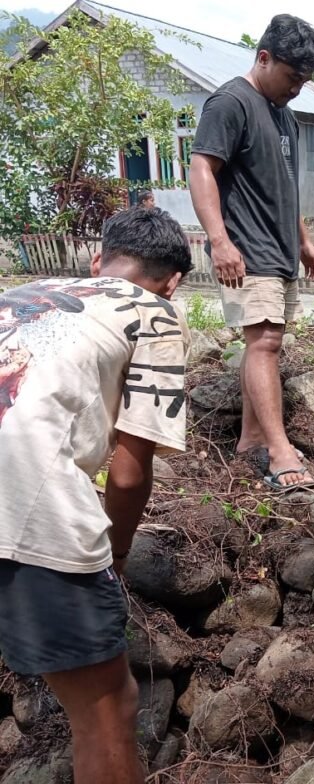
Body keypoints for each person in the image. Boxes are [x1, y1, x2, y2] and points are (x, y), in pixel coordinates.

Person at [0, 206, 192, 784]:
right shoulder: (154, 313)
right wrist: (117, 557)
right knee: (108, 708)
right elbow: (130, 475)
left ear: (96, 258)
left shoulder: (22, 293)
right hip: (26, 505)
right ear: (174, 281)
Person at [189, 14, 314, 491]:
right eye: (292, 77)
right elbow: (202, 168)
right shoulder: (231, 102)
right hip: (248, 249)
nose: (297, 89)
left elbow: (285, 186)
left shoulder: (282, 113)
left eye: (304, 81)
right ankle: (279, 449)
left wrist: (305, 241)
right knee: (264, 342)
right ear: (263, 58)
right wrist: (220, 240)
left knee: (266, 343)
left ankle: (250, 438)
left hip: (282, 248)